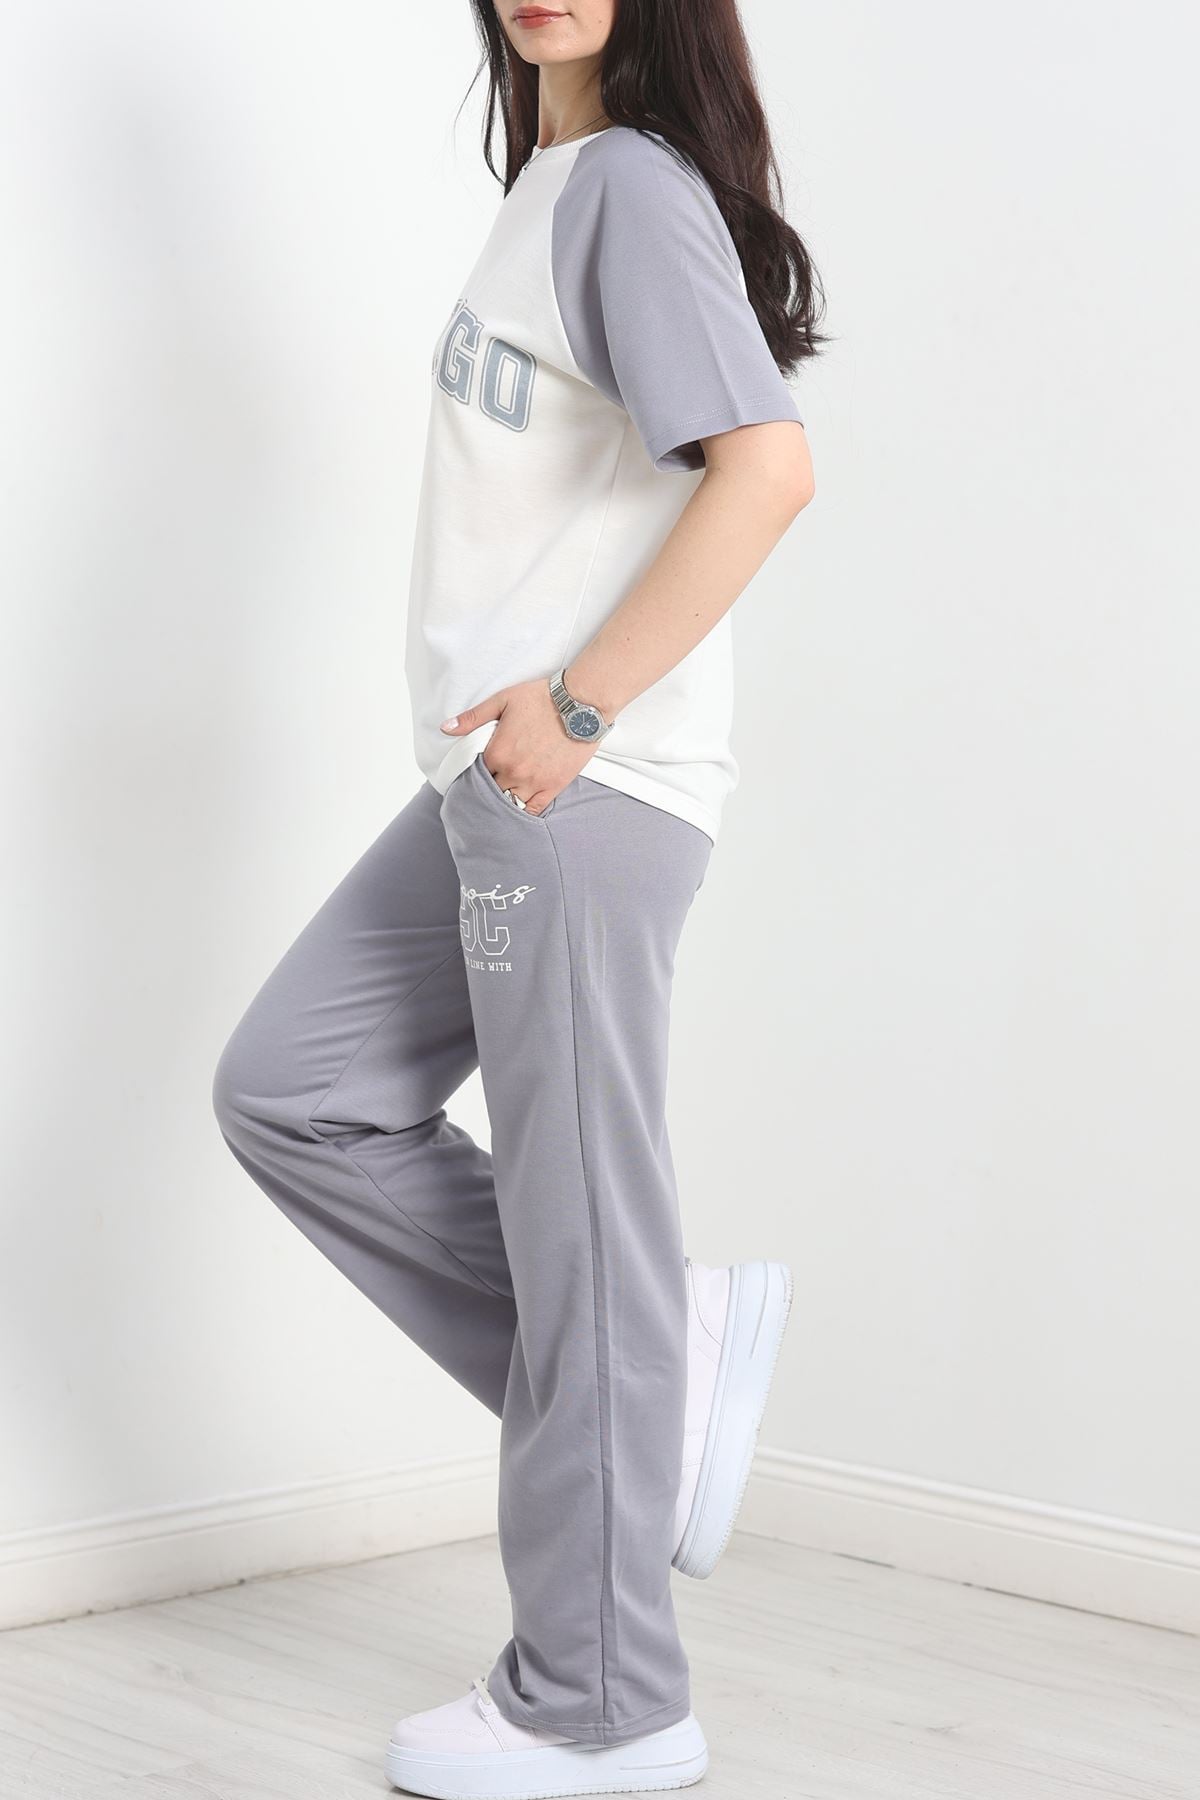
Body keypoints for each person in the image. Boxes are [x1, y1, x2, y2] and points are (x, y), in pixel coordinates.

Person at [212, 0, 822, 1793]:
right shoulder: (554, 186)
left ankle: (603, 1701)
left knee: (581, 1234)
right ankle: (655, 1356)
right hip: (497, 789)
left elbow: (769, 468)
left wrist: (582, 702)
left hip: (579, 790)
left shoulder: (630, 186)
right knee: (296, 1091)